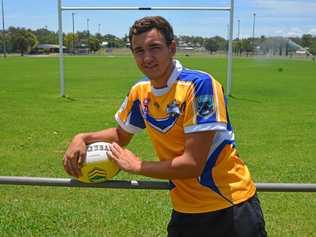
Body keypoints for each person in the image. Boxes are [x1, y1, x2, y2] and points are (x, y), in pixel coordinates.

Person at [63, 16, 267, 237]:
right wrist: (82, 137)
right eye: (138, 50)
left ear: (172, 48)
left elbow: (192, 164)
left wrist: (138, 165)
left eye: (155, 47)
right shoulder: (140, 92)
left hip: (230, 209)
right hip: (185, 211)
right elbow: (120, 135)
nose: (147, 58)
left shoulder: (199, 85)